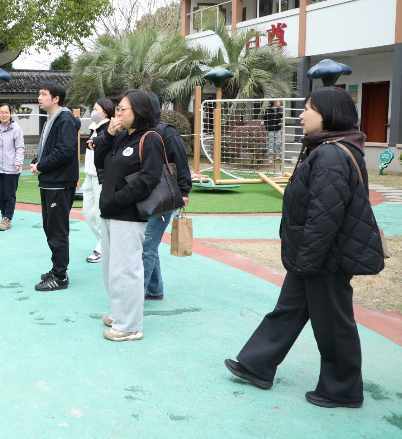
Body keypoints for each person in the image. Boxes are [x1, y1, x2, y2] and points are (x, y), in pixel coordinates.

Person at [225, 87, 385, 408]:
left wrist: (308, 259)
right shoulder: (326, 148)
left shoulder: (331, 154)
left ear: (327, 114)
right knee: (289, 309)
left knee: (333, 323)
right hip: (314, 253)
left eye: (308, 108)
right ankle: (257, 364)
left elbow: (325, 214)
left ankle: (341, 389)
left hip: (324, 256)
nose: (301, 115)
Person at [93, 89, 163, 342]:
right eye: (118, 109)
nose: (118, 114)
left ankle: (130, 326)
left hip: (128, 214)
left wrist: (119, 198)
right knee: (111, 269)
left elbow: (149, 178)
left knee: (127, 269)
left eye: (123, 109)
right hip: (110, 211)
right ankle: (120, 314)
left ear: (139, 111)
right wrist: (109, 135)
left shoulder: (150, 138)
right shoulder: (122, 136)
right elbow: (100, 161)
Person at [140, 92, 192, 299]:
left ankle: (135, 298)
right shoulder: (138, 131)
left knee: (146, 245)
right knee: (149, 244)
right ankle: (154, 289)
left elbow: (180, 161)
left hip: (163, 196)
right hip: (144, 196)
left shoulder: (166, 132)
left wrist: (184, 191)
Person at [31, 82, 80, 292]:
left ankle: (60, 276)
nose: (39, 98)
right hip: (51, 182)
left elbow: (64, 151)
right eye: (39, 94)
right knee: (50, 228)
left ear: (56, 98)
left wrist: (41, 166)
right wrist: (37, 161)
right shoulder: (52, 119)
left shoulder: (65, 119)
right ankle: (57, 268)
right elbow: (49, 149)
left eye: (44, 94)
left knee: (57, 230)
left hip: (59, 184)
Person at [82, 98, 114, 263]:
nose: (93, 112)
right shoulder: (94, 128)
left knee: (100, 214)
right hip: (90, 175)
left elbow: (105, 141)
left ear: (105, 112)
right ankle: (105, 243)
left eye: (96, 109)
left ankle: (103, 248)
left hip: (101, 177)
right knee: (88, 213)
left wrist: (96, 142)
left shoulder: (109, 128)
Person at [0, 103, 25, 231]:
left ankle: (7, 219)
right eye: (1, 112)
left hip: (12, 167)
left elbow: (20, 147)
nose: (4, 115)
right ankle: (4, 216)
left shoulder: (16, 128)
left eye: (6, 112)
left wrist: (18, 163)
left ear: (10, 114)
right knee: (0, 194)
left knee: (9, 195)